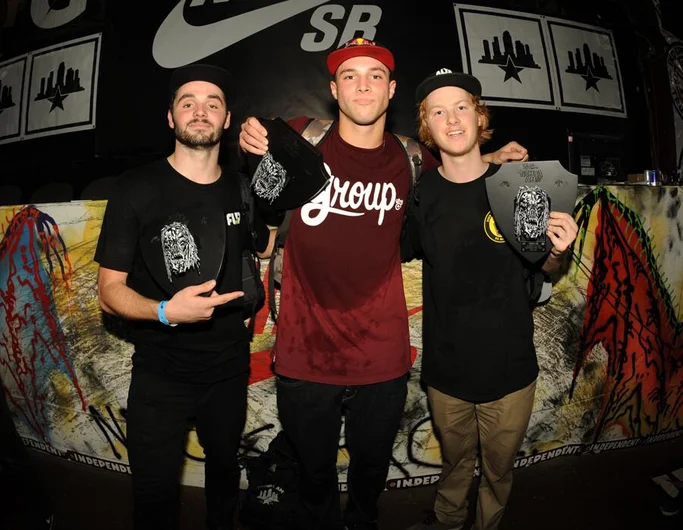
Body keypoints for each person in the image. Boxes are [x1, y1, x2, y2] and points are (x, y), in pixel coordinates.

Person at [238, 38, 528, 530]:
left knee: (371, 475)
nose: (362, 85)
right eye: (349, 76)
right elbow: (262, 225)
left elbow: (462, 164)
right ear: (334, 89)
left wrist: (495, 156)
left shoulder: (412, 159)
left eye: (375, 75)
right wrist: (252, 135)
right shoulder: (297, 140)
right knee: (314, 476)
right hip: (306, 352)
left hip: (381, 354)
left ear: (391, 90)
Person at [94, 63, 273, 530]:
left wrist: (277, 174)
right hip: (160, 374)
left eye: (212, 103)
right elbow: (109, 292)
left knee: (222, 482)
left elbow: (264, 243)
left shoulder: (240, 186)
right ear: (171, 119)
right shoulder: (135, 188)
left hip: (229, 369)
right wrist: (163, 311)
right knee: (153, 499)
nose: (200, 111)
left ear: (227, 119)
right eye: (187, 103)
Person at [404, 68, 579, 530]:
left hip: (509, 367)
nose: (453, 119)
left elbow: (543, 266)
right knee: (456, 466)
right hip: (447, 369)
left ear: (480, 116)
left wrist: (557, 251)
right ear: (427, 127)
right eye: (438, 111)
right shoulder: (422, 194)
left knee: (498, 472)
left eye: (462, 106)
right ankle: (445, 522)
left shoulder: (520, 184)